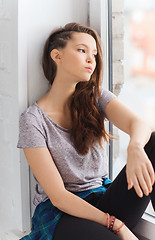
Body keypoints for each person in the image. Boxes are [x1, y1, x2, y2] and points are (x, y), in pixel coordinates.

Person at [17, 22, 155, 240]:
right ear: (57, 56)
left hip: (102, 198)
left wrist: (135, 147)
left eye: (94, 53)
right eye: (82, 50)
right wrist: (115, 225)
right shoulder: (32, 120)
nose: (91, 59)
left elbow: (140, 125)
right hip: (63, 212)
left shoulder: (96, 95)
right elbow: (59, 197)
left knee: (153, 143)